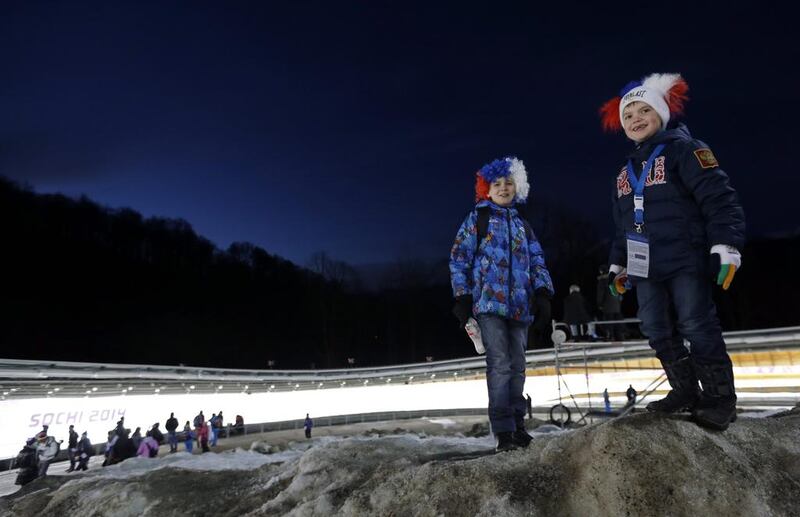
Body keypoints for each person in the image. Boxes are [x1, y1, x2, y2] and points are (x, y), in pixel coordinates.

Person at [599, 73, 745, 430]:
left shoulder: (687, 149)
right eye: (628, 114)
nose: (635, 118)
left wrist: (726, 246)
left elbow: (719, 198)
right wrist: (617, 264)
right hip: (644, 265)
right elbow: (623, 223)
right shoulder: (624, 171)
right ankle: (685, 389)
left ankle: (719, 397)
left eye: (644, 110)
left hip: (685, 257)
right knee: (654, 326)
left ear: (661, 113)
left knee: (696, 323)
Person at [450, 156, 554, 451]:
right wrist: (461, 296)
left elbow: (537, 260)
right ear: (486, 188)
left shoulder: (523, 226)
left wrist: (544, 293)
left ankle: (518, 425)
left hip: (520, 307)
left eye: (509, 183)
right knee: (500, 364)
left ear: (517, 187)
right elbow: (459, 259)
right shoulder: (477, 220)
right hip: (489, 306)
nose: (504, 188)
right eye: (497, 183)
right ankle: (503, 430)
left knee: (518, 366)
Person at [596, 265, 624, 341]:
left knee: (609, 322)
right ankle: (620, 337)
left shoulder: (602, 281)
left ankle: (610, 337)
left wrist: (600, 304)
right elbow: (620, 292)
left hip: (607, 306)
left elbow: (600, 294)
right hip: (617, 305)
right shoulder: (614, 280)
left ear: (601, 271)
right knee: (617, 322)